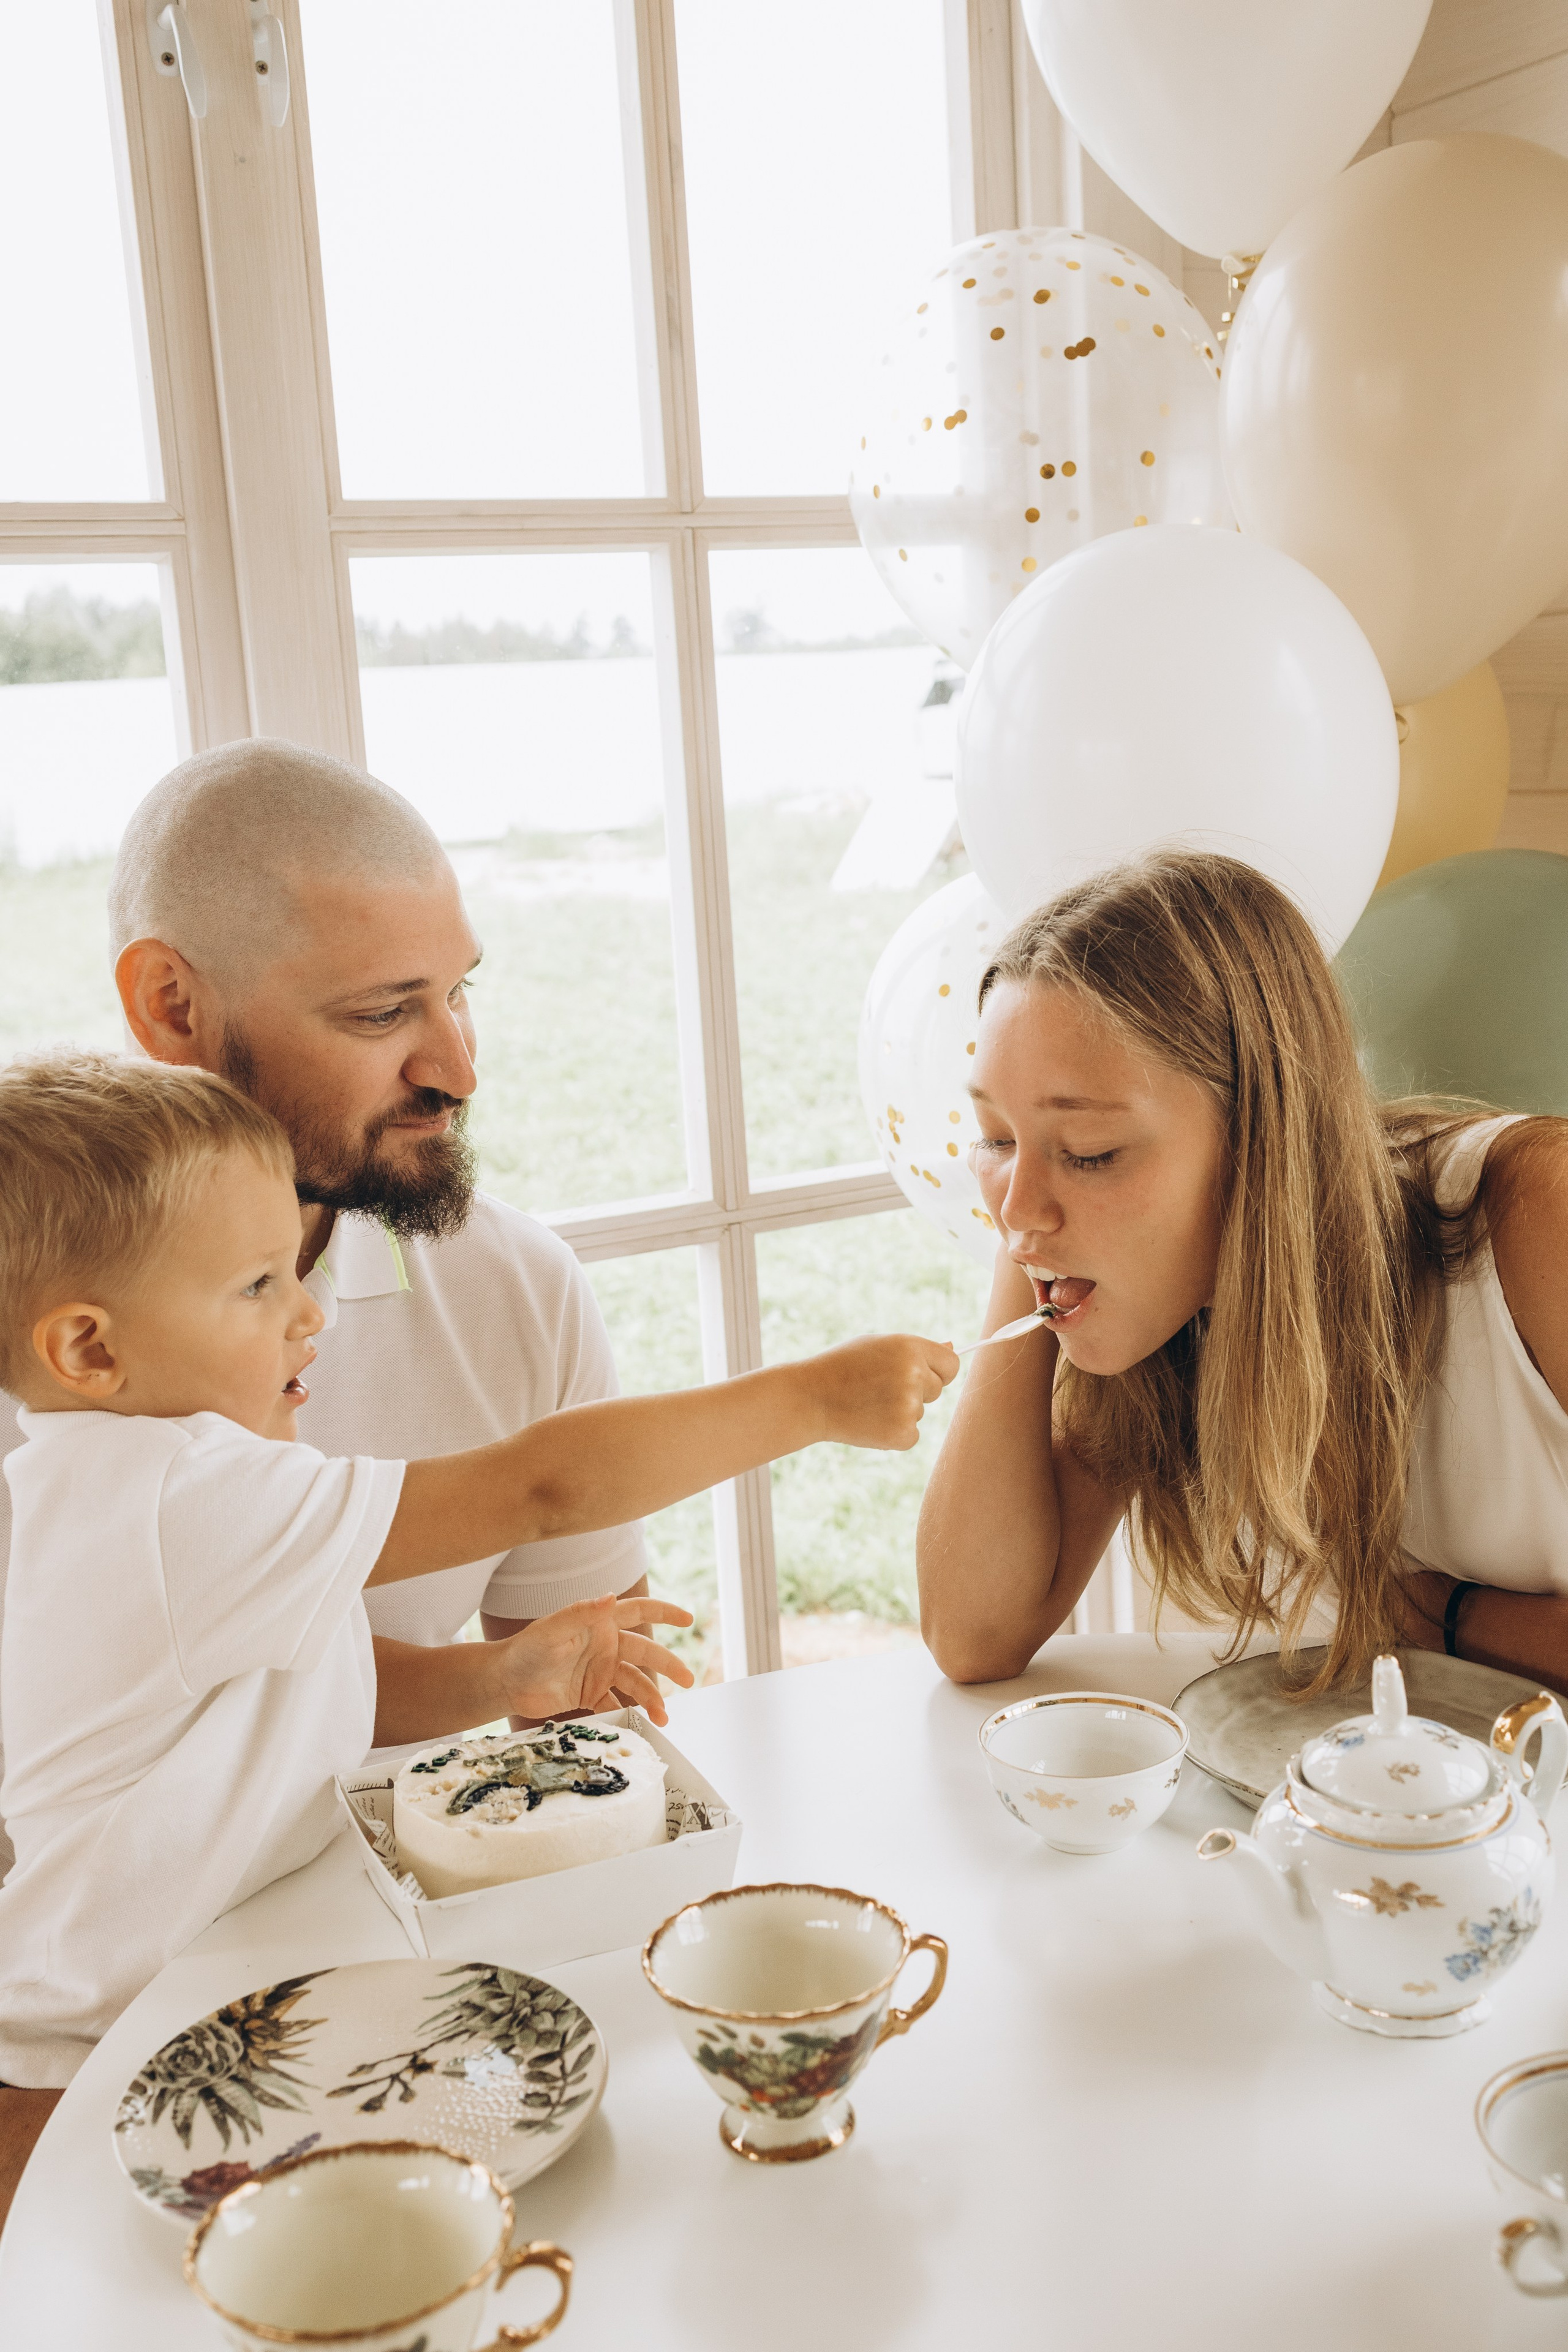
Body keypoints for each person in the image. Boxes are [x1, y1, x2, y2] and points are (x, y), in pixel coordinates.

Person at [0, 1052, 956, 2089]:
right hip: (95, 2071)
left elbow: (310, 1680)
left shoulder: (132, 1487)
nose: (309, 1312)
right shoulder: (175, 1499)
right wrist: (811, 1401)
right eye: (258, 1285)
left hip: (207, 2008)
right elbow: (541, 1486)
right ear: (90, 1353)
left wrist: (501, 1684)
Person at [0, 736, 665, 1793]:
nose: (458, 1070)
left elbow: (592, 1730)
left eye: (459, 993)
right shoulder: (29, 1322)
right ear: (172, 1005)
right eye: (382, 1012)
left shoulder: (516, 1288)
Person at [918, 849, 1568, 1694]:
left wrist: (1437, 1617)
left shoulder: (1536, 1214)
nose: (1013, 1212)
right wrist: (1036, 1227)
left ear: (1262, 1136)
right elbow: (974, 1633)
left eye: (1091, 1152)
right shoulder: (1160, 1305)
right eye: (994, 1138)